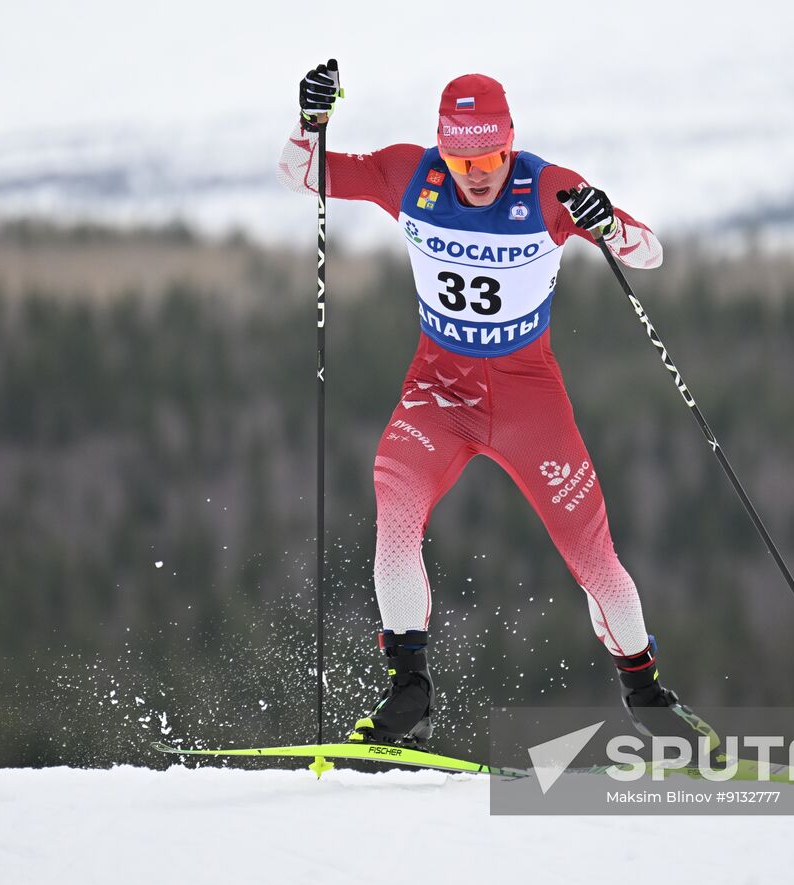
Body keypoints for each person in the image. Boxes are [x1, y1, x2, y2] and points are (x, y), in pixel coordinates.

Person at [278, 62, 715, 749]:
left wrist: (610, 223)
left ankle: (650, 697)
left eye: (488, 158)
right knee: (394, 513)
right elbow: (307, 175)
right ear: (441, 150)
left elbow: (649, 252)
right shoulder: (408, 176)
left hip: (529, 404)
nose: (475, 174)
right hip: (437, 394)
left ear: (509, 146)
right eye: (460, 159)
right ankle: (410, 689)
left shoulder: (547, 187)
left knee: (596, 560)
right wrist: (311, 122)